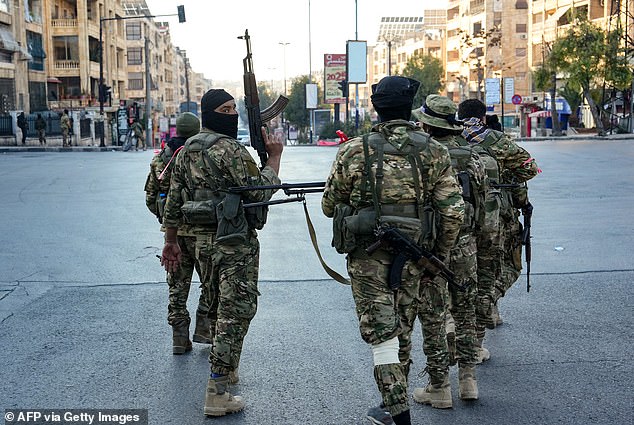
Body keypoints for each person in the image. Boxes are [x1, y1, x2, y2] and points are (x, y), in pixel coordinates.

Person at [321, 76, 464, 425]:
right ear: (409, 108)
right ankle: (393, 404)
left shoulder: (355, 149)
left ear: (376, 107)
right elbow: (453, 211)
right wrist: (439, 255)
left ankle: (397, 413)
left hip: (368, 259)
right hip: (417, 256)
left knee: (383, 334)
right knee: (400, 326)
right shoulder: (433, 150)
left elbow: (329, 205)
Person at [160, 88, 284, 417]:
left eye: (233, 108)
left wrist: (171, 240)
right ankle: (217, 391)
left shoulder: (187, 149)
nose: (232, 114)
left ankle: (225, 370)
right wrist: (273, 159)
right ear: (212, 113)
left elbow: (173, 199)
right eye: (225, 110)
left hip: (199, 243)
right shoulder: (231, 150)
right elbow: (258, 193)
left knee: (218, 306)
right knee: (235, 312)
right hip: (233, 244)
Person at [412, 95, 487, 407]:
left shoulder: (424, 157)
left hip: (432, 249)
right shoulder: (472, 157)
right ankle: (468, 380)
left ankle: (439, 387)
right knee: (465, 313)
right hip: (466, 246)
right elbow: (483, 206)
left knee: (433, 316)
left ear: (428, 124)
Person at [457, 99, 539, 361]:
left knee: (456, 277)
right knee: (504, 268)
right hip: (495, 219)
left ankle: (458, 327)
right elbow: (529, 168)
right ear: (482, 117)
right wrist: (504, 179)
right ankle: (486, 309)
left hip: (455, 218)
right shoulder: (496, 140)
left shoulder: (449, 138)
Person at [144, 112, 212, 354]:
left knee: (177, 287)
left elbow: (150, 198)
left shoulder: (160, 160)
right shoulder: (201, 157)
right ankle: (205, 331)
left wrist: (164, 217)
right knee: (209, 283)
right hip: (204, 233)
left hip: (173, 235)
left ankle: (179, 339)